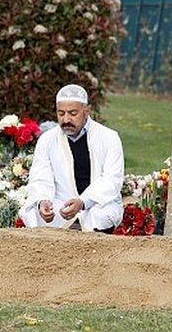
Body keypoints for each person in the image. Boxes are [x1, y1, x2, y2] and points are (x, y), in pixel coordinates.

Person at [19, 84, 125, 233]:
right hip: (61, 204)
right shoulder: (47, 139)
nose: (66, 119)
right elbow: (40, 176)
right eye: (61, 113)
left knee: (100, 215)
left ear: (86, 111)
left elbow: (111, 179)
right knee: (35, 213)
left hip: (96, 203)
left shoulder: (109, 138)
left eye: (72, 113)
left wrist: (83, 202)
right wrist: (43, 200)